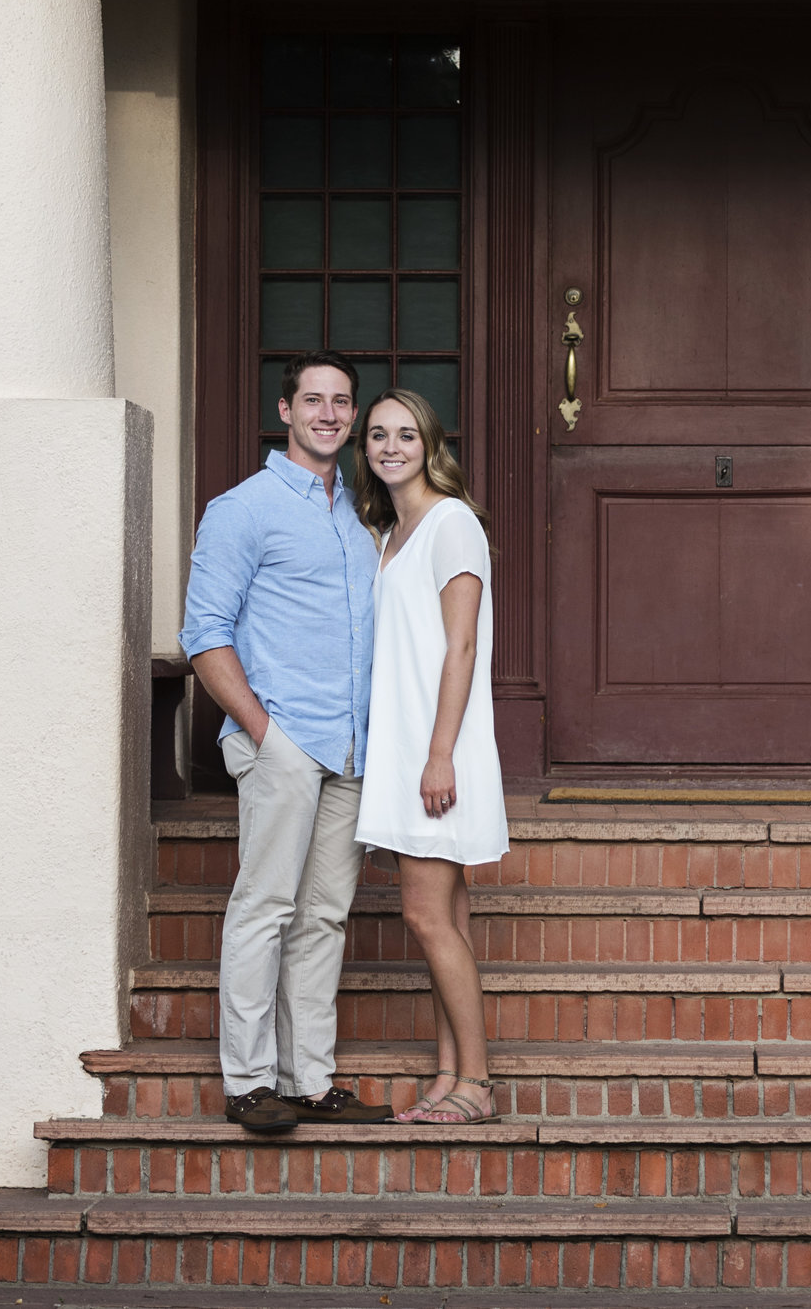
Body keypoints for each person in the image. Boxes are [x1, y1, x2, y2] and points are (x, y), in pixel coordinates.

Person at [179, 351, 394, 1133]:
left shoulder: (361, 514)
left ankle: (310, 1082)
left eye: (342, 402)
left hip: (351, 748)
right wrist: (267, 735)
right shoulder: (243, 508)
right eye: (314, 400)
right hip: (287, 740)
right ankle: (248, 1083)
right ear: (285, 410)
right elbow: (205, 636)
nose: (329, 414)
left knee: (324, 914)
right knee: (266, 906)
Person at [351, 389, 509, 1124]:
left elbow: (463, 645)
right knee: (444, 917)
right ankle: (449, 1074)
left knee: (425, 915)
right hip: (406, 745)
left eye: (405, 434)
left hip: (437, 750)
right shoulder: (390, 530)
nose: (389, 446)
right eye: (378, 434)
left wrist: (440, 753)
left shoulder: (451, 524)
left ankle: (476, 1084)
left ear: (430, 445)